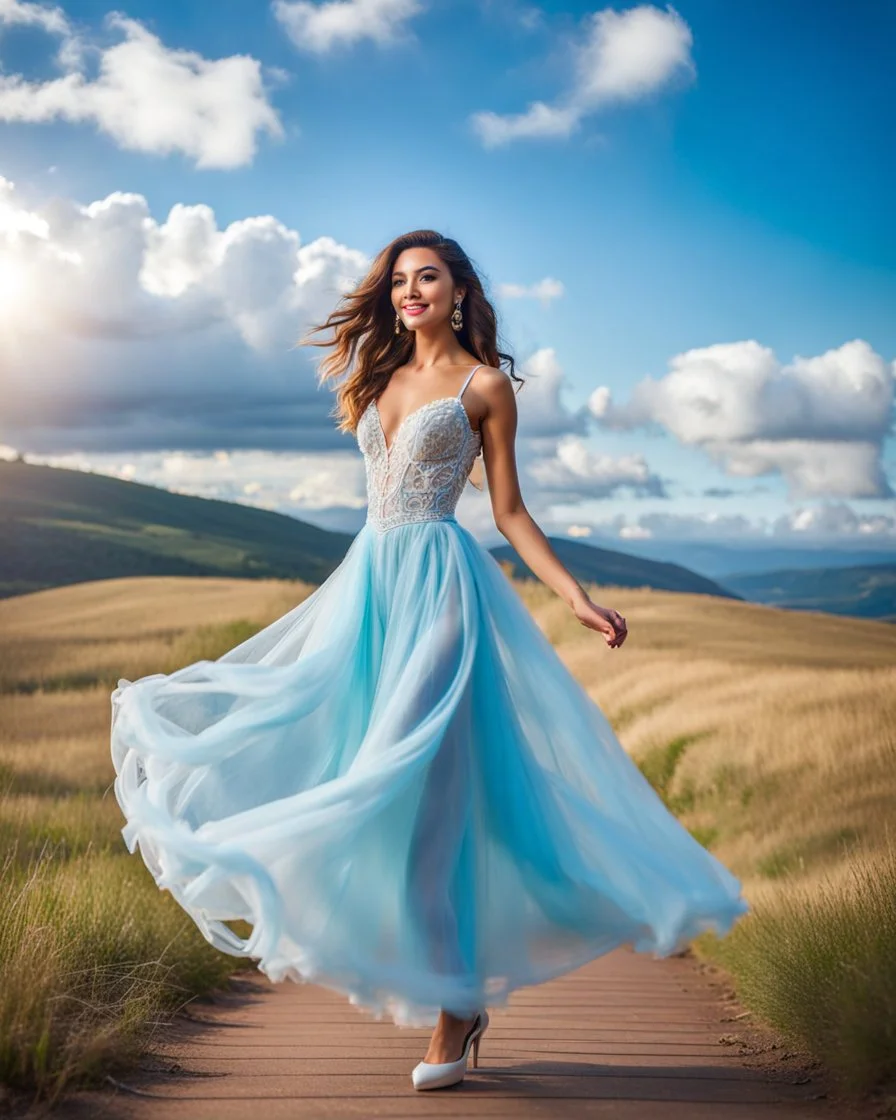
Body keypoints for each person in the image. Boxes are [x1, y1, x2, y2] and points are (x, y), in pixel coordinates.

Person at [110, 229, 749, 1093]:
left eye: (429, 278)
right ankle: (453, 986)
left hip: (444, 594)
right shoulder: (374, 381)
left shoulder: (485, 387)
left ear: (458, 291)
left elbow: (512, 512)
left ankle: (454, 1011)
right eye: (401, 281)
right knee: (357, 779)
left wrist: (573, 598)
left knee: (414, 794)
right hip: (369, 590)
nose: (412, 292)